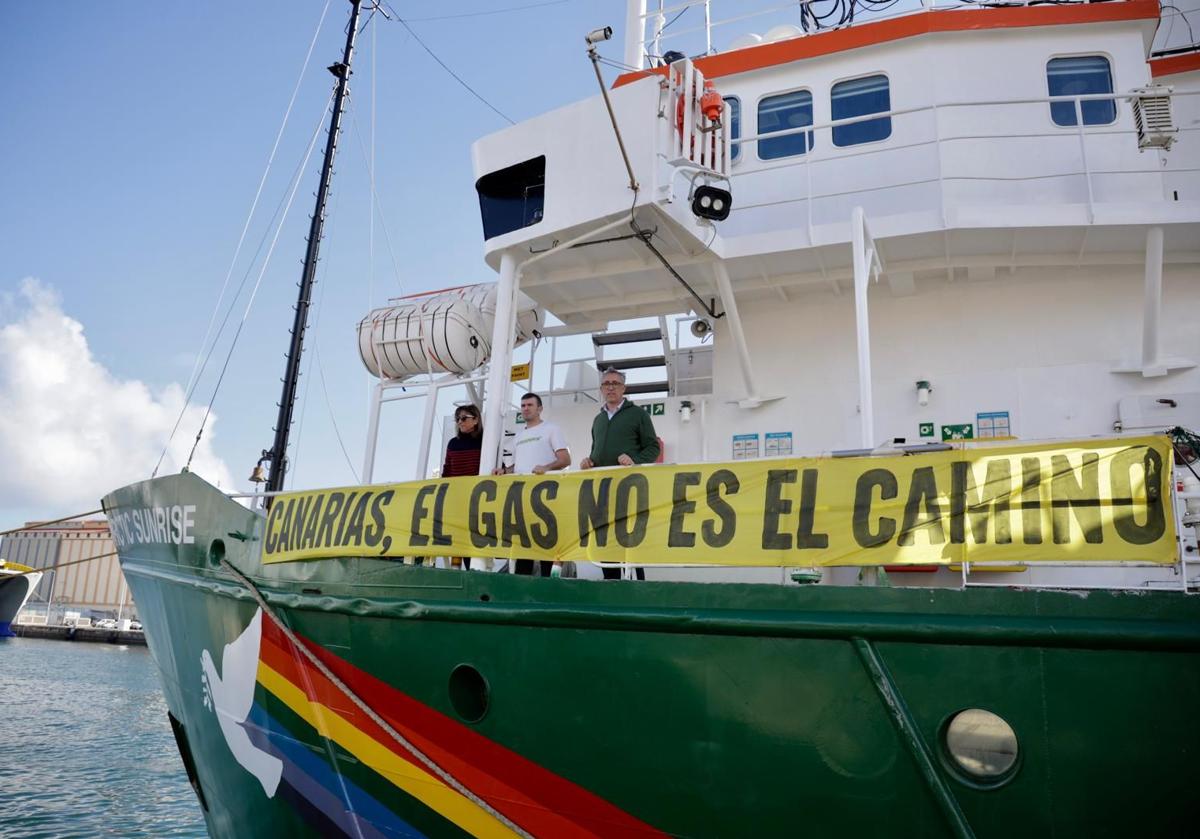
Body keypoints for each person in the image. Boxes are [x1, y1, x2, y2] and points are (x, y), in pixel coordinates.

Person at [579, 367, 660, 580]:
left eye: (615, 383)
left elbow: (653, 448)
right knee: (605, 539)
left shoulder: (638, 415)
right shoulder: (598, 420)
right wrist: (589, 462)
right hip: (602, 490)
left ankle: (636, 586)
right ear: (601, 389)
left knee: (628, 540)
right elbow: (596, 452)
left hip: (627, 488)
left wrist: (635, 461)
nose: (611, 387)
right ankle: (610, 583)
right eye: (607, 384)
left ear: (624, 388)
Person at [497, 392, 570, 577]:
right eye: (523, 405)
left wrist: (546, 467)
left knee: (547, 544)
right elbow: (517, 467)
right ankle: (522, 590)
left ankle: (548, 589)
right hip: (522, 496)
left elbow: (565, 459)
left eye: (530, 405)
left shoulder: (551, 429)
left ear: (540, 408)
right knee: (524, 546)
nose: (526, 408)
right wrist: (504, 472)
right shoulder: (519, 436)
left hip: (547, 497)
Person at [442, 404, 483, 569]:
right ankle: (466, 573)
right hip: (457, 500)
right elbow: (447, 471)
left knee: (476, 537)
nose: (460, 422)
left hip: (479, 500)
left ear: (476, 420)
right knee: (461, 538)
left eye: (464, 418)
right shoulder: (453, 443)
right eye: (457, 419)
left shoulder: (486, 441)